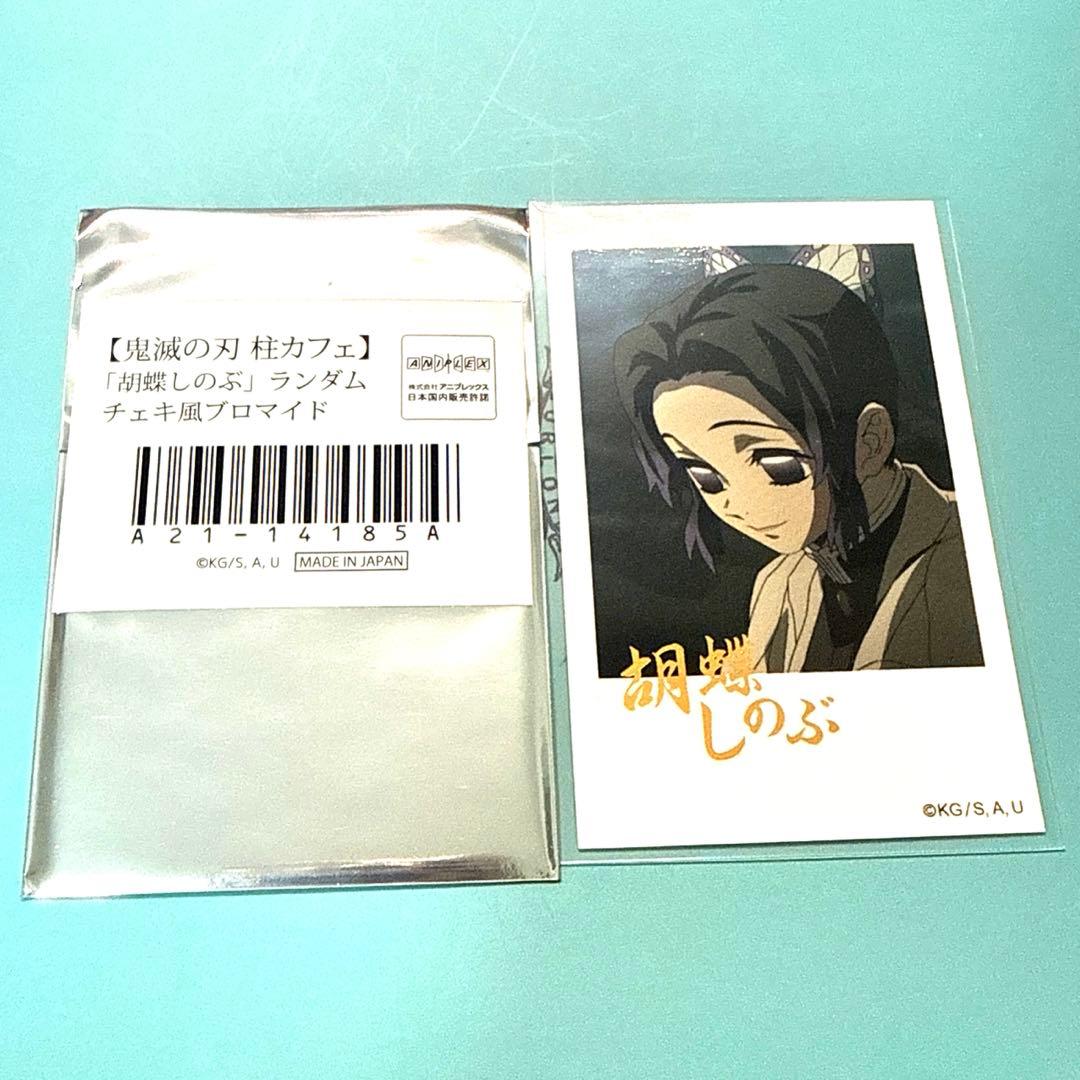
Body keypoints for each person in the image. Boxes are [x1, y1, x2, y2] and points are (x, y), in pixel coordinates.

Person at [612, 260, 984, 672]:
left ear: (870, 441)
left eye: (776, 465)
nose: (737, 504)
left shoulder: (978, 556)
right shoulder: (778, 583)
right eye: (706, 476)